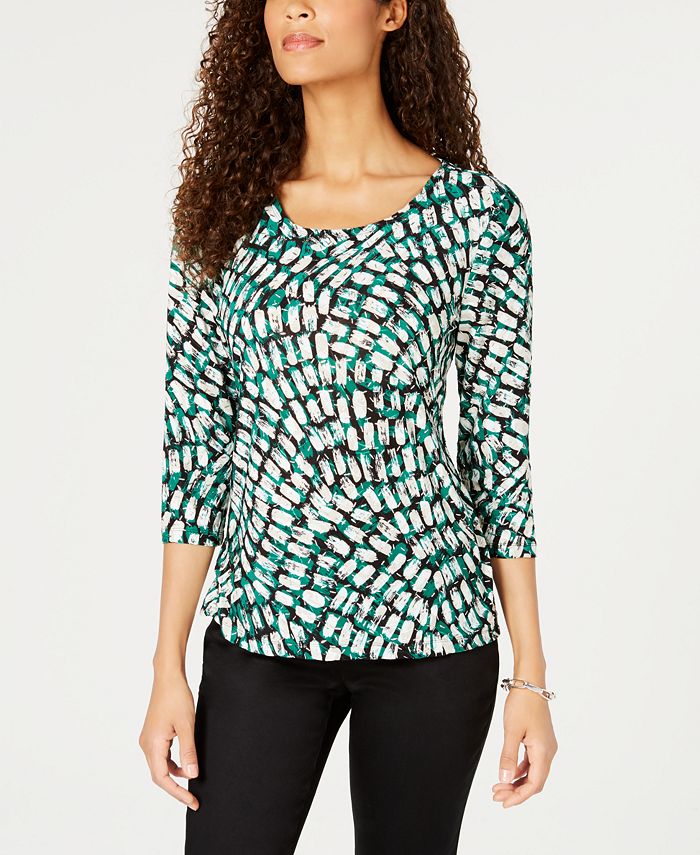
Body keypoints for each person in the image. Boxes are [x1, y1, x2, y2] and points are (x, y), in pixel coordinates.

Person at [139, 1, 558, 853]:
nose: (296, 6)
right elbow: (196, 451)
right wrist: (166, 665)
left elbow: (498, 451)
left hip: (433, 632)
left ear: (393, 10)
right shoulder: (223, 216)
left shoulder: (477, 217)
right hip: (262, 631)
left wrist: (531, 677)